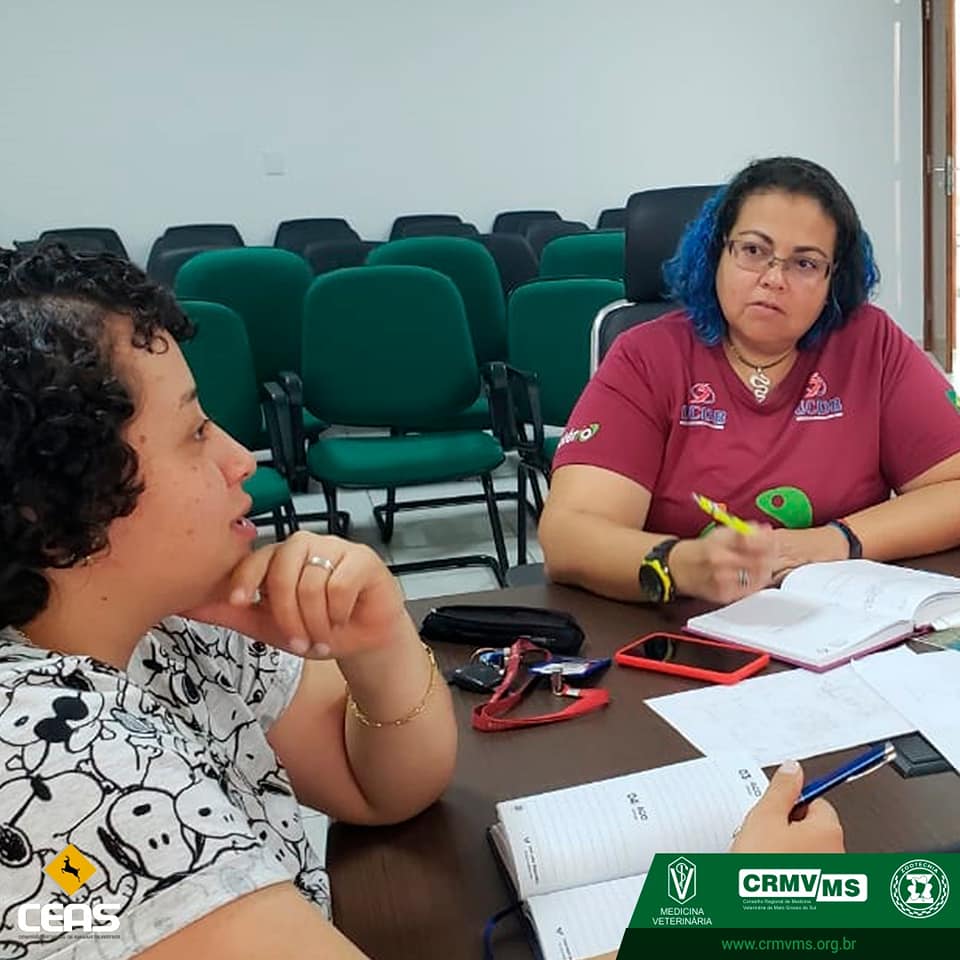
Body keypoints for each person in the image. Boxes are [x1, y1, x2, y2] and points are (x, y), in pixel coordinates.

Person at [0, 245, 457, 959]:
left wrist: (377, 640)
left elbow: (382, 788)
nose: (241, 458)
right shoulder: (51, 748)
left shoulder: (166, 624)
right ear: (56, 500)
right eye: (194, 432)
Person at [540, 156, 960, 605]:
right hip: (685, 622)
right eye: (754, 251)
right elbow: (569, 535)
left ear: (833, 280)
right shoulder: (646, 356)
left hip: (843, 619)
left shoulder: (870, 343)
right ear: (717, 253)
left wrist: (835, 540)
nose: (774, 279)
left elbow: (952, 487)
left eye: (805, 263)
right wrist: (683, 564)